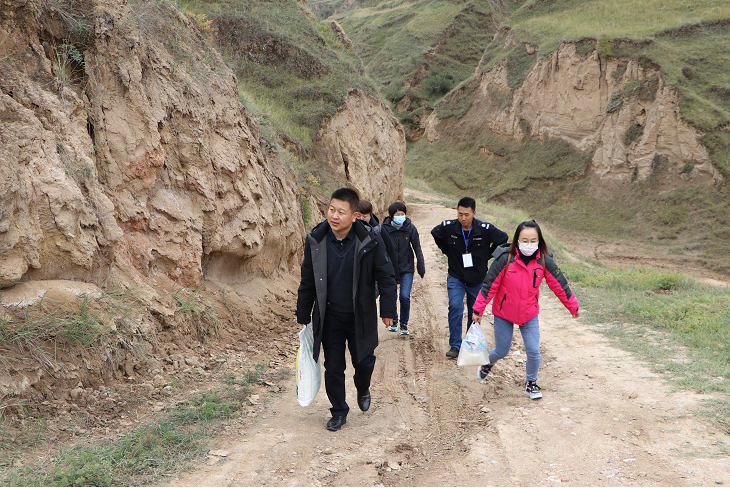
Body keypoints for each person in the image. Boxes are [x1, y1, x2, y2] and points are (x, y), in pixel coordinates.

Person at [296, 188, 397, 431]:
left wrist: (387, 310)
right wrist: (303, 312)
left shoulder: (369, 240)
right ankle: (339, 411)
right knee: (333, 366)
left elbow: (386, 276)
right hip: (329, 315)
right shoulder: (316, 240)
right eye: (332, 209)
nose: (334, 216)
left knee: (364, 362)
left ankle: (363, 386)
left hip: (360, 314)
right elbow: (308, 278)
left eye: (341, 212)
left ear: (354, 216)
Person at [471, 220, 579, 400]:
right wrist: (478, 310)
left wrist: (572, 306)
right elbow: (489, 286)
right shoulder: (505, 259)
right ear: (517, 241)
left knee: (534, 351)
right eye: (525, 241)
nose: (529, 245)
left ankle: (531, 383)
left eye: (533, 241)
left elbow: (560, 285)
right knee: (502, 351)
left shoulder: (544, 261)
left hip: (529, 314)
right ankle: (488, 362)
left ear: (539, 241)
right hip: (504, 313)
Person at [431, 197, 508, 358]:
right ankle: (455, 345)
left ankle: (469, 344)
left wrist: (488, 254)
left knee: (475, 311)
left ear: (474, 213)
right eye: (460, 214)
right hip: (456, 276)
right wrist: (447, 251)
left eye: (467, 214)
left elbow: (503, 238)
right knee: (455, 307)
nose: (463, 218)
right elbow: (435, 233)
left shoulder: (484, 229)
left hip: (478, 278)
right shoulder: (450, 227)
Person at [382, 202, 425, 336]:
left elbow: (417, 248)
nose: (400, 216)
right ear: (391, 216)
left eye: (402, 214)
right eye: (397, 214)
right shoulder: (384, 229)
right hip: (390, 269)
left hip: (407, 268)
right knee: (392, 295)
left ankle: (404, 323)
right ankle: (394, 320)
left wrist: (421, 267)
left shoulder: (410, 228)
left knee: (404, 296)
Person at [356, 200, 399, 285]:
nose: (361, 219)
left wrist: (396, 278)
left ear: (370, 216)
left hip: (374, 276)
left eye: (365, 216)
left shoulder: (379, 230)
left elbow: (391, 253)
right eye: (358, 216)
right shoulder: (348, 230)